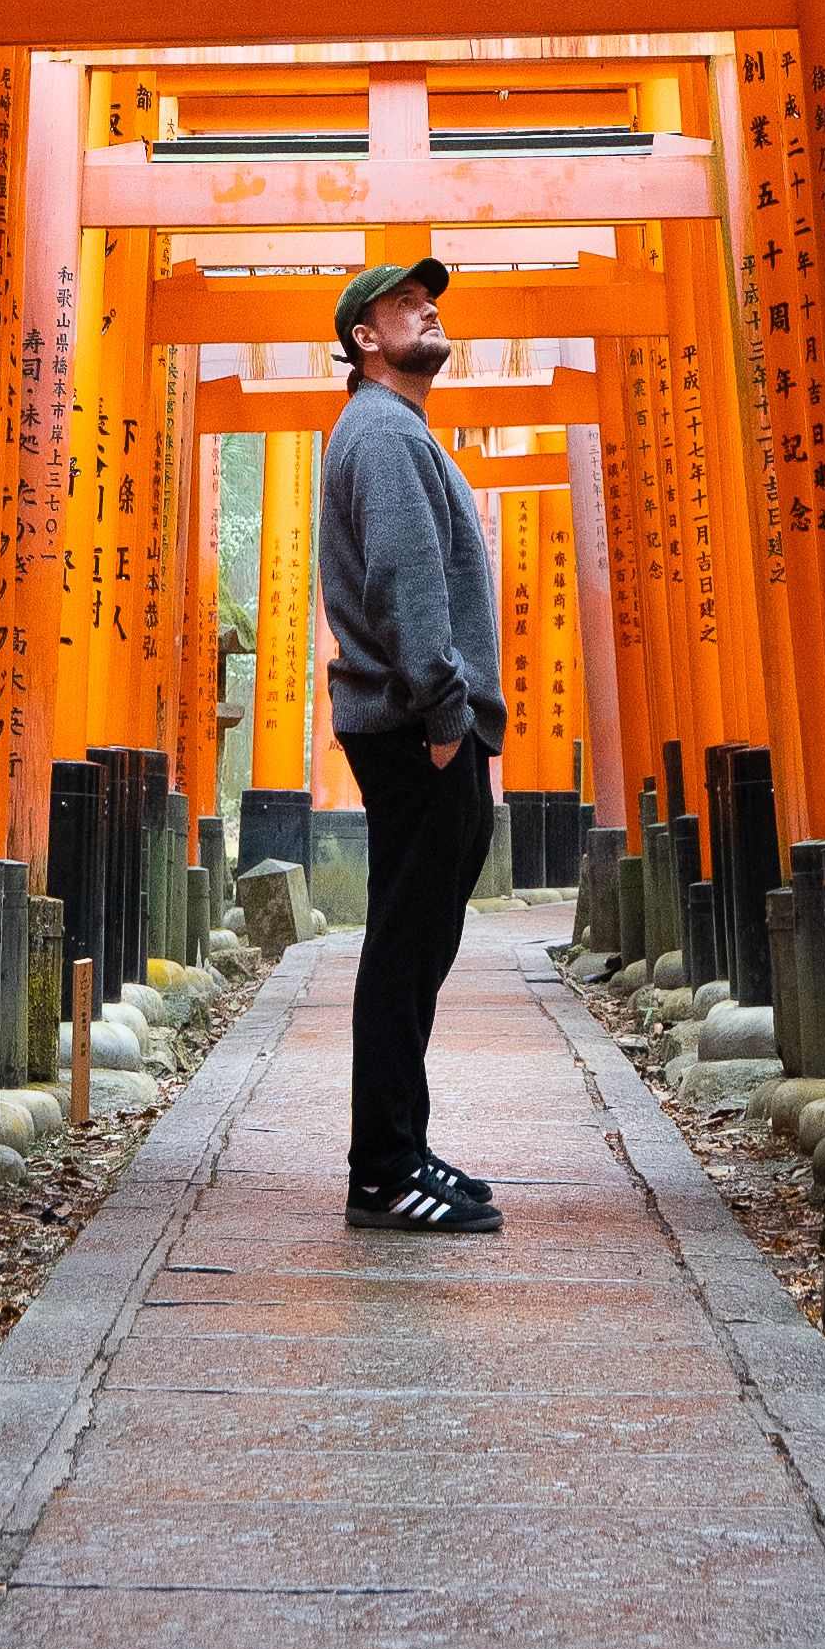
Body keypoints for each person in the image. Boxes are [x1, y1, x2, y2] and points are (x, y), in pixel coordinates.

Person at [314, 253, 508, 1236]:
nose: (426, 311)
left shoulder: (388, 429)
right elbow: (404, 581)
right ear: (364, 338)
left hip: (413, 721)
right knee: (404, 949)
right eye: (403, 304)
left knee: (412, 944)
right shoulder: (385, 430)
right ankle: (385, 1173)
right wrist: (443, 719)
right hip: (416, 725)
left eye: (428, 301)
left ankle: (399, 1151)